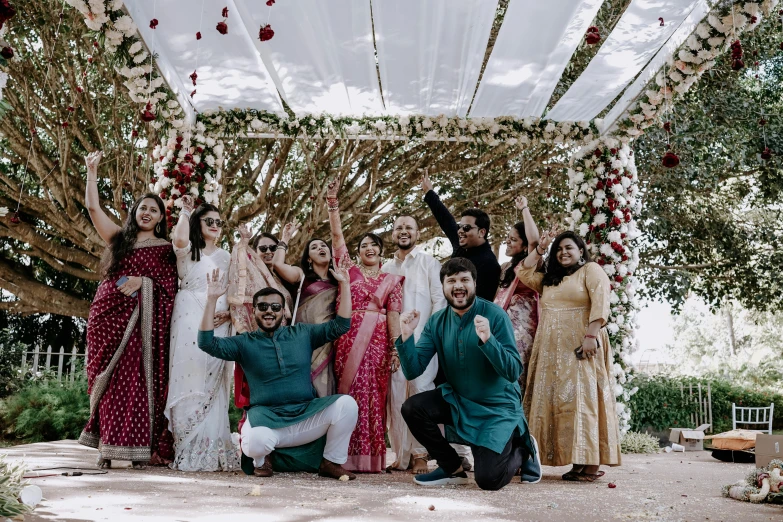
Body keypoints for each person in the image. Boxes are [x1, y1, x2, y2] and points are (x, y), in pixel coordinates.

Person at [197, 266, 359, 480]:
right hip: (267, 419)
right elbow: (206, 343)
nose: (269, 311)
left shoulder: (302, 333)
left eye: (275, 306)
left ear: (283, 311)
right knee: (256, 442)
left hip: (304, 416)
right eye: (262, 306)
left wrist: (345, 285)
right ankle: (262, 461)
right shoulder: (244, 343)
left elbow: (341, 325)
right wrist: (211, 300)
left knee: (346, 405)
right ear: (253, 311)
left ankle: (331, 462)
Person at [396, 258, 542, 490]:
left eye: (464, 279)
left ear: (474, 283)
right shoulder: (436, 321)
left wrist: (488, 340)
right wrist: (406, 337)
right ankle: (451, 468)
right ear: (443, 286)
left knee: (489, 480)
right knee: (412, 408)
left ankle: (523, 449)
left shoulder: (494, 315)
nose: (458, 286)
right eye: (451, 281)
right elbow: (413, 370)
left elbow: (513, 370)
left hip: (497, 408)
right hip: (460, 400)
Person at [78, 151, 177, 469]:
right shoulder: (119, 239)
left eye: (154, 209)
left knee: (132, 379)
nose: (147, 212)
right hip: (107, 316)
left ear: (161, 218)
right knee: (106, 379)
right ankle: (107, 445)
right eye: (143, 207)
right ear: (134, 212)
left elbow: (170, 290)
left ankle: (133, 448)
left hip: (141, 324)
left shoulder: (166, 251)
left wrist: (142, 282)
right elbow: (93, 208)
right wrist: (92, 171)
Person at [516, 230, 622, 482]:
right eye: (559, 249)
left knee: (583, 400)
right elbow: (523, 271)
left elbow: (601, 301)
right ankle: (578, 462)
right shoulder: (549, 279)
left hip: (581, 344)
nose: (563, 252)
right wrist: (540, 248)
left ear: (580, 251)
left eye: (569, 248)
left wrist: (591, 336)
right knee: (562, 402)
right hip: (551, 349)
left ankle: (591, 465)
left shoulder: (591, 270)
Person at [327, 179, 404, 473]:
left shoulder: (392, 281)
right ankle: (341, 457)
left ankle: (370, 459)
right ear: (357, 253)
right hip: (348, 340)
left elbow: (394, 316)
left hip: (379, 345)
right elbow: (336, 238)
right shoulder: (349, 270)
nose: (368, 248)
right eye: (363, 245)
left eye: (374, 244)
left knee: (375, 397)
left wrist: (396, 350)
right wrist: (333, 203)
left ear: (381, 252)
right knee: (350, 394)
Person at [164, 195, 239, 472]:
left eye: (220, 222)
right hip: (188, 319)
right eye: (210, 221)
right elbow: (179, 239)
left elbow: (233, 291)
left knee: (213, 385)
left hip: (219, 323)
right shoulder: (190, 249)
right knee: (188, 376)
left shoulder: (226, 256)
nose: (216, 226)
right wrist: (185, 211)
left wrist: (231, 314)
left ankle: (212, 448)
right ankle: (187, 447)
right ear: (199, 222)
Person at [382, 215, 449, 474]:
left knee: (420, 392)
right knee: (397, 396)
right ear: (392, 234)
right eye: (398, 227)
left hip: (422, 343)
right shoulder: (386, 268)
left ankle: (421, 454)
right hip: (395, 345)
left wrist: (431, 341)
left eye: (409, 227)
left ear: (418, 233)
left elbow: (439, 302)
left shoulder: (430, 264)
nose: (403, 231)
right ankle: (402, 456)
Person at [271, 223, 339, 398]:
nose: (320, 248)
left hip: (329, 345)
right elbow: (277, 264)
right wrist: (284, 239)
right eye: (314, 247)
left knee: (326, 387)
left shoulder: (340, 281)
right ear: (308, 258)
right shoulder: (301, 277)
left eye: (324, 245)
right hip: (302, 344)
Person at [421, 170, 501, 301]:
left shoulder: (489, 264)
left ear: (482, 232)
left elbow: (482, 302)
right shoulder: (462, 243)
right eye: (460, 227)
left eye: (467, 227)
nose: (460, 231)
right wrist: (429, 192)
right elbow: (447, 221)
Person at [493, 195, 541, 397]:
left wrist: (524, 209)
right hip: (501, 326)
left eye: (513, 239)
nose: (508, 242)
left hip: (522, 331)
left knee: (514, 375)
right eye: (508, 238)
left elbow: (535, 241)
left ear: (523, 246)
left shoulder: (530, 264)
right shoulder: (505, 267)